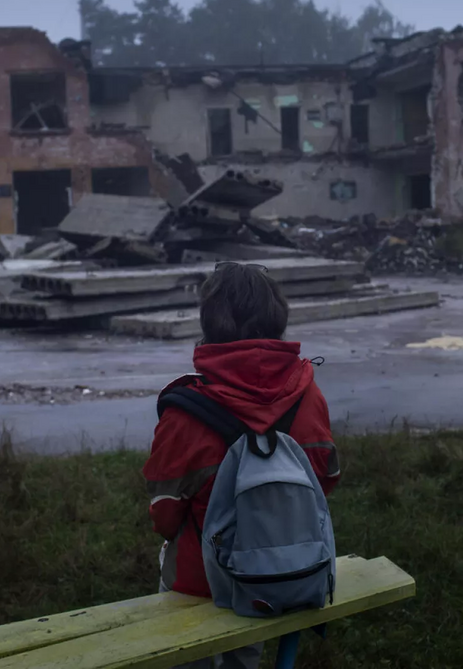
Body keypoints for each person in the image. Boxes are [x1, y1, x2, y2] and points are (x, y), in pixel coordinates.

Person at [143, 262, 341, 669]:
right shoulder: (309, 399)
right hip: (278, 575)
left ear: (209, 322)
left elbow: (164, 515)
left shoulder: (185, 413)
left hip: (198, 583)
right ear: (277, 318)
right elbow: (325, 482)